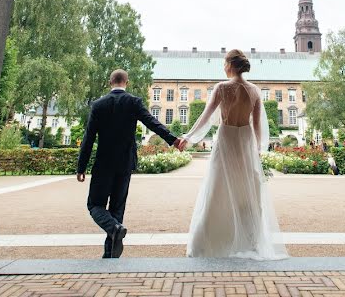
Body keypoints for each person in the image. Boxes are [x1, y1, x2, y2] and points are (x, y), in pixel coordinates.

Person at [182, 49, 288, 260]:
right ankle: (249, 240)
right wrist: (257, 149)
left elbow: (205, 116)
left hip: (226, 138)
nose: (223, 66)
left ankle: (211, 241)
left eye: (224, 62)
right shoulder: (255, 90)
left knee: (217, 187)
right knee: (246, 190)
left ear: (231, 64)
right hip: (246, 141)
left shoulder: (222, 88)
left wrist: (189, 137)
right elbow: (256, 125)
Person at [76, 69, 187, 258]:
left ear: (110, 82)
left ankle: (113, 231)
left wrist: (81, 166)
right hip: (125, 163)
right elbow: (152, 123)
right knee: (117, 208)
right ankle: (110, 252)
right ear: (126, 82)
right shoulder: (133, 102)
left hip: (104, 163)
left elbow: (88, 138)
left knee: (95, 205)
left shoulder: (98, 105)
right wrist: (173, 140)